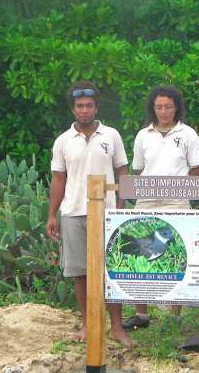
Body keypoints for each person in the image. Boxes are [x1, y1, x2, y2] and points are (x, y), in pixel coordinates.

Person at [46, 80, 133, 348]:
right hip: (73, 212)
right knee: (80, 272)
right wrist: (52, 215)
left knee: (112, 270)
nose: (84, 110)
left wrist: (122, 203)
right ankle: (87, 323)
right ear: (73, 110)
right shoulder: (63, 141)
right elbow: (58, 179)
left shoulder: (111, 136)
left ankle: (117, 327)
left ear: (96, 107)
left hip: (107, 213)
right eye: (80, 106)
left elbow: (122, 172)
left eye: (89, 106)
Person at [122, 85, 199, 330]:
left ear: (176, 107)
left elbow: (197, 168)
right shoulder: (142, 135)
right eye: (159, 107)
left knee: (175, 253)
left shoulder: (188, 134)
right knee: (140, 251)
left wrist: (179, 188)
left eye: (168, 106)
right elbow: (137, 169)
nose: (164, 111)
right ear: (153, 108)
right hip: (147, 198)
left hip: (177, 200)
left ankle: (174, 313)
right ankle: (141, 313)